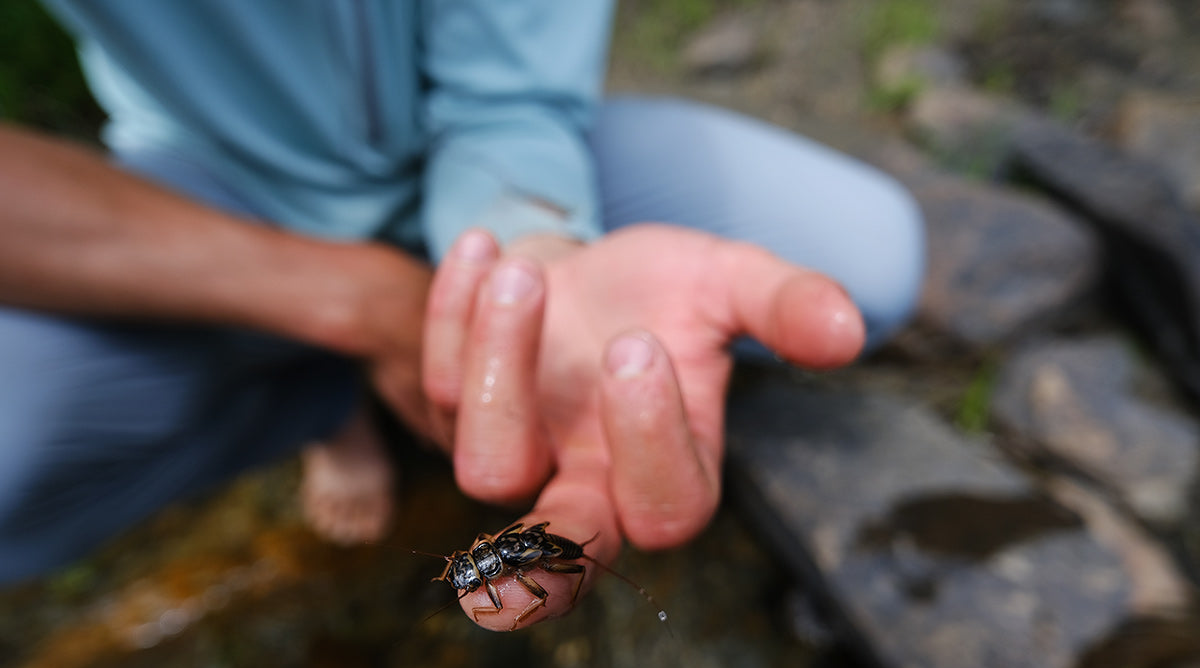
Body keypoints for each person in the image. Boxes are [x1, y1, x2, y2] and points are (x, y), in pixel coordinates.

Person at [0, 1, 924, 629]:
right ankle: (333, 406)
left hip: (486, 160)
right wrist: (360, 300)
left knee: (869, 262)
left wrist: (536, 247)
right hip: (211, 188)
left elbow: (511, 104)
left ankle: (355, 366)